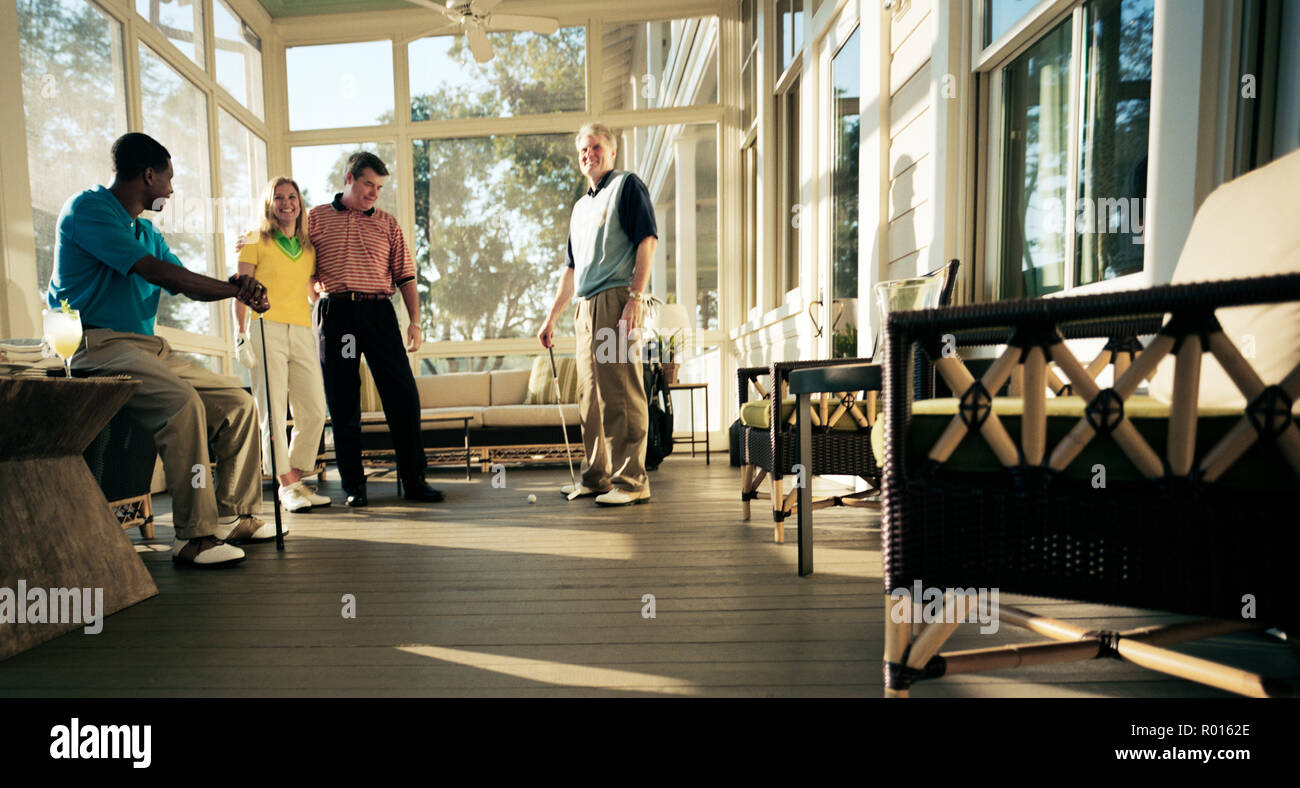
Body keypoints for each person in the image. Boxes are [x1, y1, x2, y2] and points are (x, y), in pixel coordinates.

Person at [48, 132, 273, 566]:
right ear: (149, 175)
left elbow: (184, 280)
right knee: (181, 403)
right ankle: (193, 539)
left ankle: (231, 515)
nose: (170, 190)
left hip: (148, 346)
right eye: (168, 179)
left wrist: (235, 286)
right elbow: (158, 274)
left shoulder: (145, 230)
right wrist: (237, 292)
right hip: (95, 343)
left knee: (238, 402)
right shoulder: (88, 209)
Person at [307, 151, 442, 507]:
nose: (374, 193)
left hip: (378, 314)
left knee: (402, 397)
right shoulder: (316, 218)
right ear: (349, 178)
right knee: (343, 400)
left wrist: (414, 322)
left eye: (379, 186)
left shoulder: (388, 223)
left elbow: (406, 276)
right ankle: (354, 486)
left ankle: (414, 480)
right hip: (337, 317)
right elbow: (303, 267)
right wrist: (316, 299)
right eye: (369, 184)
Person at [537, 123, 659, 506]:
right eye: (582, 151)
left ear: (611, 151)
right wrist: (552, 316)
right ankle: (597, 478)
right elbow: (571, 270)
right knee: (589, 396)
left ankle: (632, 481)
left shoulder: (627, 186)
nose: (588, 154)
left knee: (620, 392)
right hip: (585, 308)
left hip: (616, 300)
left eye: (595, 147)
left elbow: (647, 240)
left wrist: (635, 298)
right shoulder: (579, 207)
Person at [234, 177, 331, 513]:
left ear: (300, 203)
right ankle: (287, 487)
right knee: (272, 410)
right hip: (265, 327)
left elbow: (310, 289)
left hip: (302, 328)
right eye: (279, 197)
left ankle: (296, 478)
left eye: (293, 197)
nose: (287, 203)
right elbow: (241, 290)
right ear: (269, 203)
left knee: (315, 409)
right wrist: (240, 331)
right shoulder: (252, 240)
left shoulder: (308, 248)